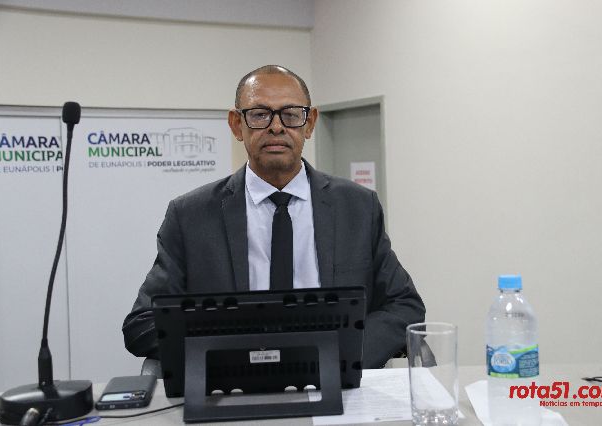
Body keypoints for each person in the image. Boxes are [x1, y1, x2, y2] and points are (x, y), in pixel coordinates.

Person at [122, 65, 425, 368]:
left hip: (337, 381)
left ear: (310, 123)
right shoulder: (190, 216)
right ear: (236, 125)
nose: (277, 127)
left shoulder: (358, 207)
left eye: (291, 114)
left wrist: (344, 353)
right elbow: (142, 323)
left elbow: (404, 305)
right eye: (259, 114)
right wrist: (232, 353)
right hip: (236, 382)